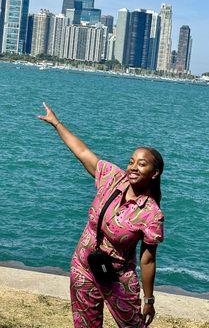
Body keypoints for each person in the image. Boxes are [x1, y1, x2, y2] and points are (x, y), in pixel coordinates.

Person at [38, 102, 164, 328]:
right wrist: (56, 124)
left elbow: (148, 259)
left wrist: (149, 298)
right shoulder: (113, 178)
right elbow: (83, 152)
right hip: (83, 266)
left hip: (117, 277)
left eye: (142, 164)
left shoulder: (151, 214)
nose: (133, 167)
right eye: (131, 161)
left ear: (154, 173)